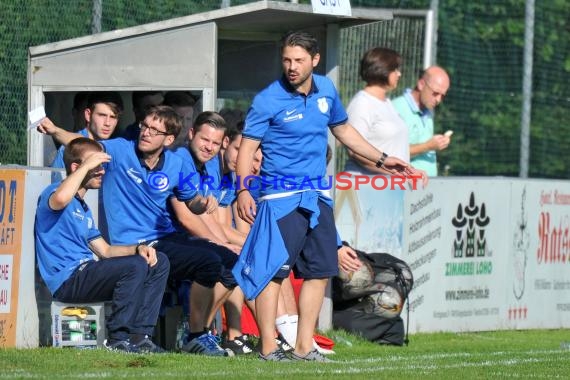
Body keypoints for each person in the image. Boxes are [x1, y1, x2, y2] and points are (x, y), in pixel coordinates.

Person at [234, 31, 415, 362]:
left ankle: (304, 346)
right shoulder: (267, 99)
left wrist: (381, 158)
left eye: (299, 60)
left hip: (318, 196)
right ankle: (269, 348)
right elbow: (247, 147)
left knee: (320, 270)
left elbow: (344, 131)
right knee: (274, 272)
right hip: (280, 197)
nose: (291, 67)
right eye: (287, 60)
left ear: (314, 61)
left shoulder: (327, 91)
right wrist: (244, 188)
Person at [38, 106, 237, 356]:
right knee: (164, 262)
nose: (146, 133)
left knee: (228, 262)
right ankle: (157, 336)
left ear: (168, 139)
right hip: (130, 246)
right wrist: (56, 130)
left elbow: (191, 201)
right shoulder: (120, 149)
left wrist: (203, 204)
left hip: (164, 240)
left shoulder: (176, 164)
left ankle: (195, 334)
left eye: (155, 130)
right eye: (145, 126)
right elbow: (83, 146)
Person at [35, 137, 170, 353]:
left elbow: (105, 251)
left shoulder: (83, 209)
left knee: (158, 261)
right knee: (134, 266)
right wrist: (86, 166)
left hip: (88, 274)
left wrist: (138, 248)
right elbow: (60, 199)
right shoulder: (53, 192)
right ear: (76, 167)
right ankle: (118, 339)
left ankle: (140, 336)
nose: (101, 172)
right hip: (68, 280)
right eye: (95, 167)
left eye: (102, 167)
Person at [344, 48, 411, 173]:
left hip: (389, 187)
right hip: (364, 186)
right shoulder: (362, 103)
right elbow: (354, 151)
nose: (399, 74)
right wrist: (389, 170)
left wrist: (409, 172)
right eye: (395, 69)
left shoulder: (387, 103)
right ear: (382, 70)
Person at [392, 66, 451, 176]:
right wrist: (427, 146)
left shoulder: (428, 112)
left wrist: (435, 144)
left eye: (442, 96)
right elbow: (390, 154)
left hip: (426, 188)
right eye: (435, 93)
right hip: (404, 188)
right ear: (421, 84)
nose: (438, 100)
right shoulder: (396, 109)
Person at [50, 91, 124, 169]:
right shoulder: (69, 148)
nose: (107, 123)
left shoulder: (120, 146)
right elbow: (57, 180)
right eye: (102, 115)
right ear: (88, 115)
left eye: (113, 117)